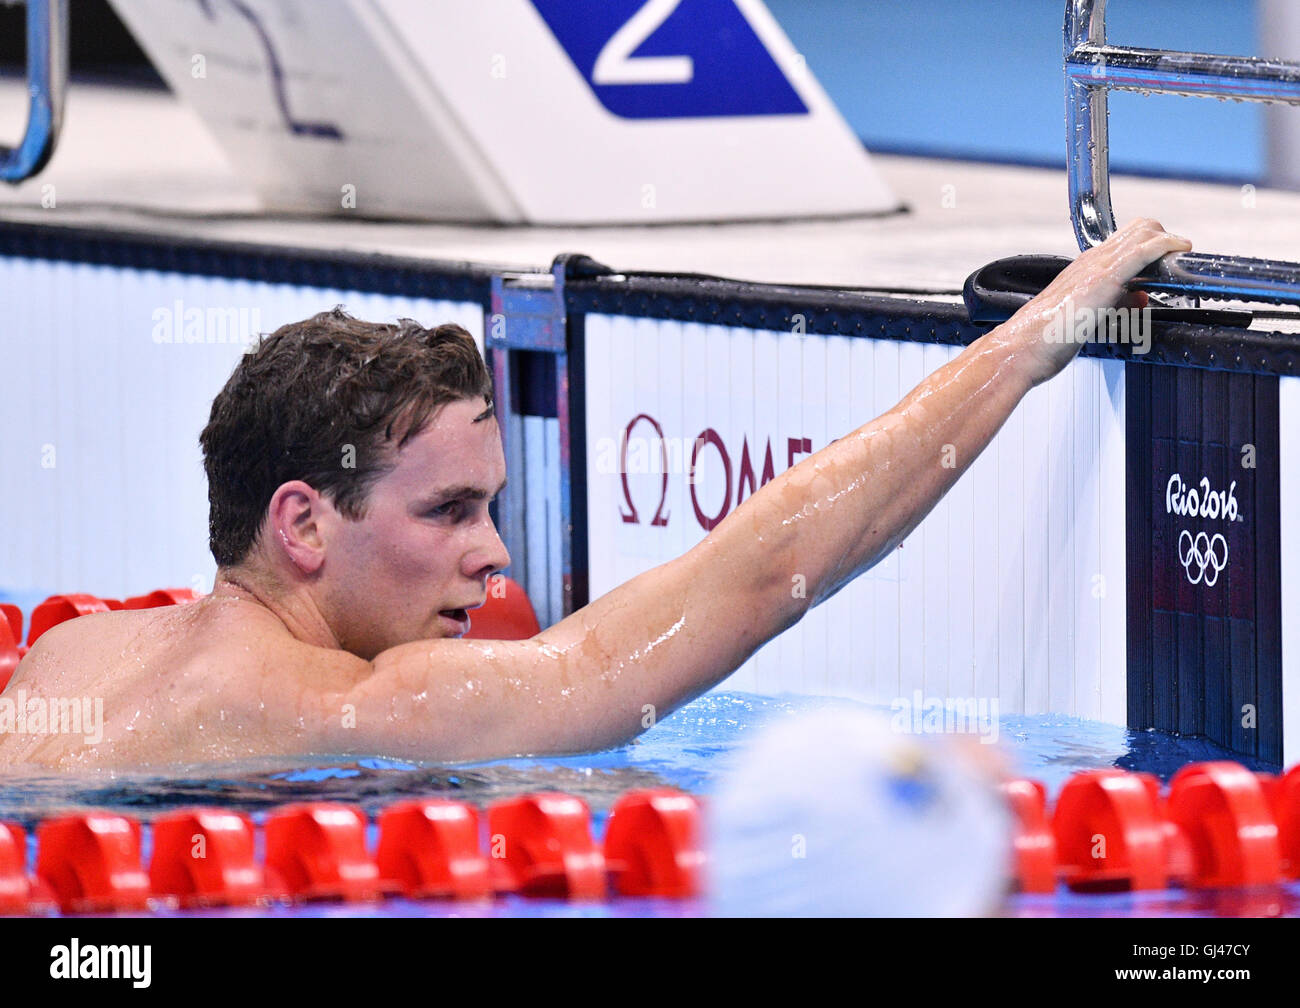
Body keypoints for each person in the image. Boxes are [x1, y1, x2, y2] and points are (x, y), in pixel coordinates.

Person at [0, 219, 1191, 769]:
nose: (496, 561)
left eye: (490, 509)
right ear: (303, 521)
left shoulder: (68, 658)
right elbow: (764, 578)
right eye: (447, 512)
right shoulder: (359, 711)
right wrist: (1023, 348)